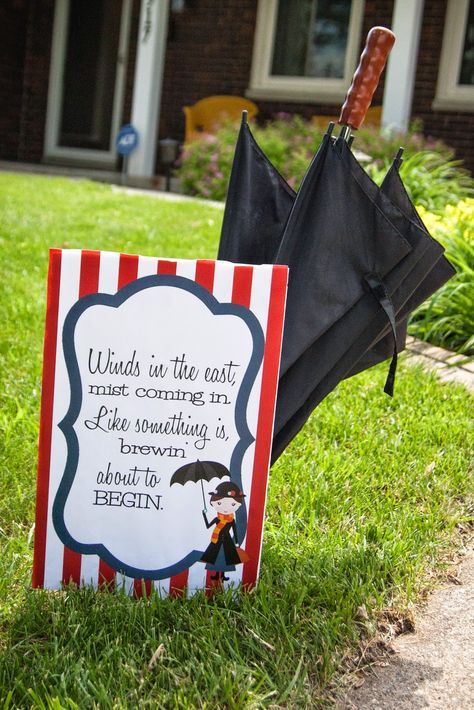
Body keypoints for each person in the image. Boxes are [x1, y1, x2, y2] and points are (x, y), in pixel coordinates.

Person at [200, 481, 247, 581]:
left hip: (227, 541)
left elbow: (235, 530)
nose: (225, 508)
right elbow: (208, 526)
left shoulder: (231, 519)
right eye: (220, 503)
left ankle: (223, 575)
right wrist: (204, 514)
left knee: (227, 557)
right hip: (216, 541)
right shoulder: (218, 519)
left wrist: (237, 542)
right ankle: (217, 575)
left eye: (232, 504)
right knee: (215, 557)